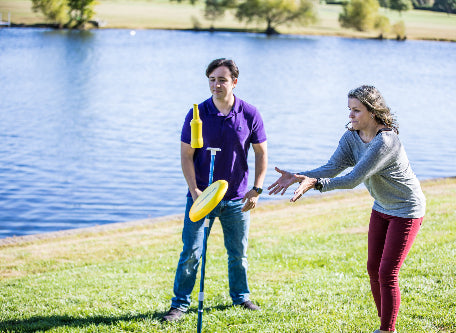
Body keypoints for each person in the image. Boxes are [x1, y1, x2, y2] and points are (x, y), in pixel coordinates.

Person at [268, 85, 425, 333]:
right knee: (373, 267)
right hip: (382, 206)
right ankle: (387, 327)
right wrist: (300, 177)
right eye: (349, 110)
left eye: (356, 110)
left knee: (387, 272)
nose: (350, 116)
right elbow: (332, 168)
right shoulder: (352, 136)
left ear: (373, 113)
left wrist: (316, 184)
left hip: (406, 209)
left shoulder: (386, 141)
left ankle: (387, 330)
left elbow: (353, 179)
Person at [162, 58, 268, 322]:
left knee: (238, 253)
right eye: (211, 79)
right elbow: (186, 155)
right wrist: (195, 190)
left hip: (236, 199)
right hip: (201, 197)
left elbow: (261, 153)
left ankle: (241, 297)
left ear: (234, 82)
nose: (216, 85)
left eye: (221, 79)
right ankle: (180, 305)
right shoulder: (197, 114)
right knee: (191, 253)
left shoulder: (249, 113)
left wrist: (256, 189)